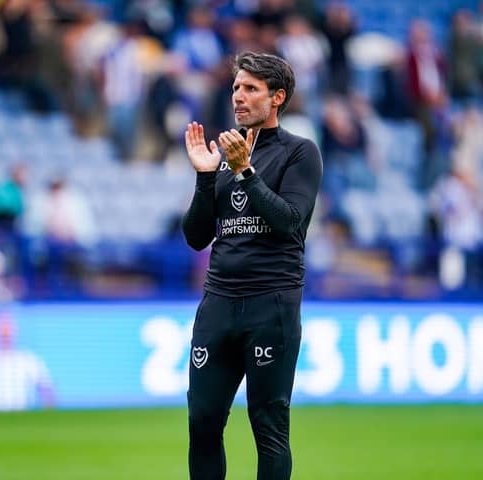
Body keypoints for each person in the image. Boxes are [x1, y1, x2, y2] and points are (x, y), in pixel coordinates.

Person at [182, 51, 322, 480]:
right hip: (219, 304)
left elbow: (290, 223)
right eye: (236, 88)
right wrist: (207, 177)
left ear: (277, 97)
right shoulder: (224, 155)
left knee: (269, 429)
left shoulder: (301, 153)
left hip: (271, 306)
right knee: (202, 423)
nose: (238, 97)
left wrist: (245, 172)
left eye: (250, 89)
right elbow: (196, 236)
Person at [0, 310, 56, 411]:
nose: (5, 332)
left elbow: (46, 389)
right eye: (2, 328)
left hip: (22, 417)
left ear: (14, 331)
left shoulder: (28, 359)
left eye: (8, 328)